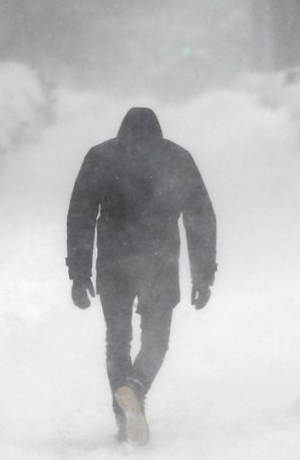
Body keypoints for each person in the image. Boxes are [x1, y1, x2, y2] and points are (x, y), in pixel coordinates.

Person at [66, 107, 217, 445]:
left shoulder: (101, 157)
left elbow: (81, 216)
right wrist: (203, 275)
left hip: (113, 260)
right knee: (156, 339)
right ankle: (136, 386)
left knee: (117, 339)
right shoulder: (177, 159)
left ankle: (123, 416)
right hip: (159, 260)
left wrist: (79, 273)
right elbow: (200, 217)